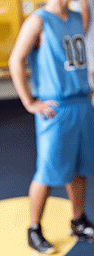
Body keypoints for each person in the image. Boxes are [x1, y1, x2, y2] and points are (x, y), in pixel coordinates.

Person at [9, 0, 94, 253]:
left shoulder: (79, 17)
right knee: (47, 173)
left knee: (80, 168)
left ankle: (78, 221)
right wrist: (29, 102)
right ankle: (34, 229)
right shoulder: (38, 20)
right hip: (57, 108)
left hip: (82, 102)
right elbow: (16, 60)